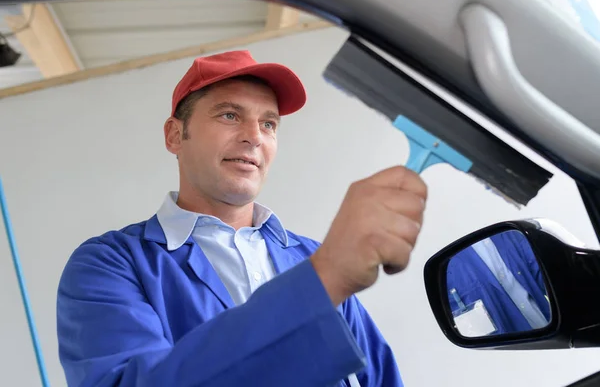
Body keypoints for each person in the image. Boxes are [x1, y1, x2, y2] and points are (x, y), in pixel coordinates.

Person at [56, 50, 428, 387]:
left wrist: (324, 273)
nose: (254, 137)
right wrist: (322, 280)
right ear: (174, 135)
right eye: (230, 115)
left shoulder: (311, 257)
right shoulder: (111, 265)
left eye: (269, 124)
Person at [446, 230, 551, 336]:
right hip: (508, 349)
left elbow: (547, 279)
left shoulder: (509, 232)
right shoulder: (444, 266)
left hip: (549, 332)